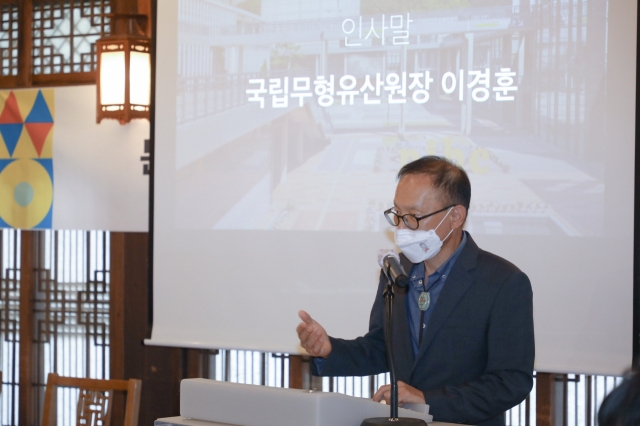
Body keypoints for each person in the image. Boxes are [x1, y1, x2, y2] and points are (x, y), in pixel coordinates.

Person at [296, 156, 535, 426]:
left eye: (413, 217)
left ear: (455, 216)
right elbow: (381, 348)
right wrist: (330, 350)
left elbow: (511, 381)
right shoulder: (397, 271)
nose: (400, 228)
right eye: (397, 214)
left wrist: (427, 399)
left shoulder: (503, 282)